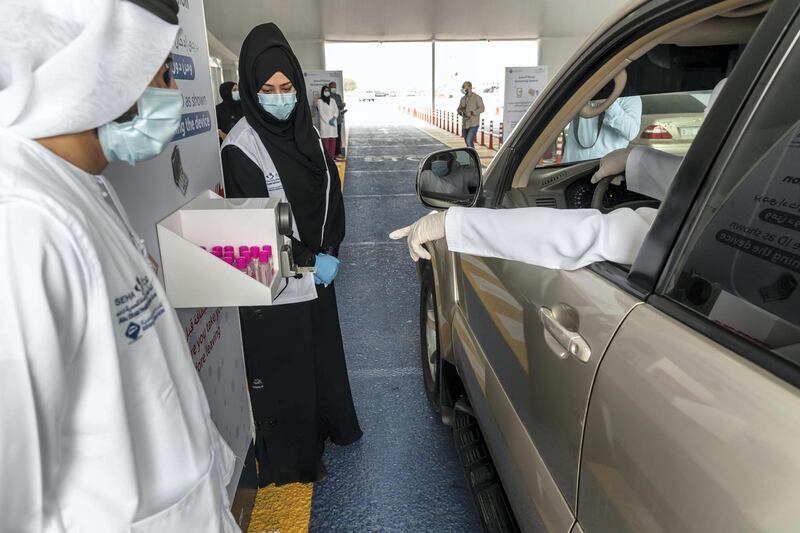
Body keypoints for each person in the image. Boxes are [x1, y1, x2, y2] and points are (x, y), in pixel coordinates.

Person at [0, 1, 239, 531]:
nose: (171, 97)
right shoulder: (21, 219)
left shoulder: (82, 186)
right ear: (100, 72)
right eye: (158, 76)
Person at [220, 22, 361, 486]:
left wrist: (332, 249)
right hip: (279, 284)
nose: (279, 98)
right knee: (290, 368)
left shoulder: (310, 133)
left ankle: (332, 425)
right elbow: (257, 225)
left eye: (287, 88)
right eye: (267, 89)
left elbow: (330, 196)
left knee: (321, 355)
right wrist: (308, 260)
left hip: (320, 273)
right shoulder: (241, 146)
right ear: (249, 90)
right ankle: (297, 457)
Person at [390, 80, 727, 270]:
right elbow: (719, 186)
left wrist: (452, 223)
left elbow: (587, 235)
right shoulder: (755, 201)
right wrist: (636, 161)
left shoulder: (707, 230)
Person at [562, 96, 643, 162]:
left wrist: (608, 103)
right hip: (570, 168)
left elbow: (631, 132)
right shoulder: (583, 91)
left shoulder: (630, 97)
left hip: (605, 171)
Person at [457, 81, 485, 149]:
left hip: (474, 124)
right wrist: (461, 112)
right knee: (467, 143)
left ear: (470, 88)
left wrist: (472, 113)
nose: (464, 90)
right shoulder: (463, 99)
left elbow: (482, 108)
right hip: (465, 124)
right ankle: (472, 156)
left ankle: (473, 157)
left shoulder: (477, 97)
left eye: (465, 88)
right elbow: (459, 109)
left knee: (469, 141)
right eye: (463, 88)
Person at [317, 85, 339, 158]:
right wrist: (328, 121)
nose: (327, 92)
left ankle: (332, 158)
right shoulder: (319, 101)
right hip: (325, 125)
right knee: (326, 144)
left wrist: (333, 119)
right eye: (325, 90)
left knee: (333, 142)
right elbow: (321, 113)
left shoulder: (332, 100)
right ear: (322, 92)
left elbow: (336, 110)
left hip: (333, 124)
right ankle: (327, 159)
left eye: (328, 90)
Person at [328, 81, 347, 161]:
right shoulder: (328, 97)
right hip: (331, 120)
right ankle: (332, 154)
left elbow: (339, 107)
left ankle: (338, 153)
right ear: (329, 88)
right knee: (332, 137)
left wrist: (342, 106)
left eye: (335, 87)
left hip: (338, 119)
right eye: (332, 87)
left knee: (338, 136)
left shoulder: (338, 96)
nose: (334, 89)